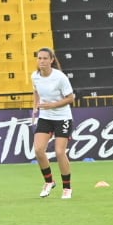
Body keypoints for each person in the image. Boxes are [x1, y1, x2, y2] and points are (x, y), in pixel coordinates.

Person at [30, 47, 76, 199]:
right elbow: (36, 91)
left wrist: (52, 105)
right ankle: (49, 181)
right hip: (45, 117)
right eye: (39, 58)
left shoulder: (60, 77)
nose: (41, 61)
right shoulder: (35, 76)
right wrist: (35, 108)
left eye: (45, 58)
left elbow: (70, 98)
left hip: (62, 117)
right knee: (38, 150)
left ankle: (67, 188)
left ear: (51, 60)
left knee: (59, 152)